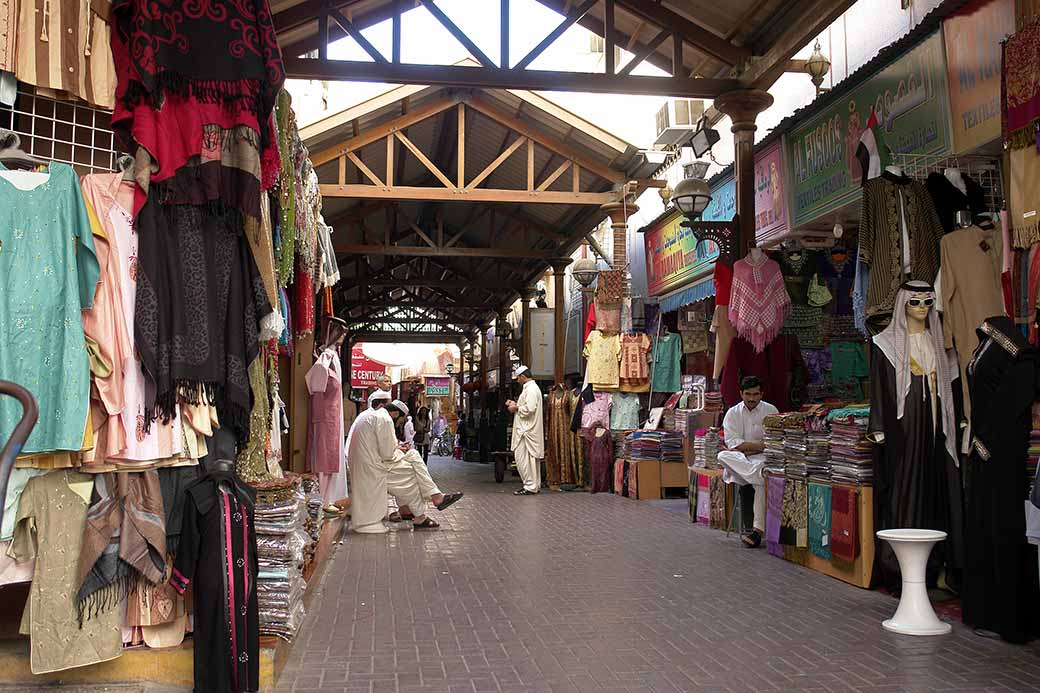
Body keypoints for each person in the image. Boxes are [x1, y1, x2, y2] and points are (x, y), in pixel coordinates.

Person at [347, 392, 439, 533]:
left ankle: (430, 499)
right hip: (373, 467)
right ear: (395, 413)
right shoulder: (384, 419)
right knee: (411, 474)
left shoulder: (368, 416)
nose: (400, 422)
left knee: (412, 462)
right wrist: (400, 452)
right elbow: (387, 453)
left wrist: (398, 450)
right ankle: (429, 502)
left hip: (366, 464)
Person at [717, 376, 778, 548]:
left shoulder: (771, 410)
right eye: (748, 394)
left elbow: (773, 442)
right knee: (722, 455)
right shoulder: (733, 413)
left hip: (761, 461)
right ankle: (756, 476)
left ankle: (757, 531)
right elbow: (733, 445)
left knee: (761, 477)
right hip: (741, 463)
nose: (752, 398)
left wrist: (748, 447)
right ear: (741, 393)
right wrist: (758, 446)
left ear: (761, 393)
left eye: (756, 394)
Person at [506, 365, 544, 495]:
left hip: (526, 431)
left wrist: (515, 408)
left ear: (523, 376)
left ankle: (530, 485)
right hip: (526, 430)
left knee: (523, 459)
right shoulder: (530, 388)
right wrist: (516, 405)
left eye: (518, 378)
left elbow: (530, 408)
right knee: (529, 460)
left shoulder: (531, 389)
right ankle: (533, 485)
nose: (517, 381)